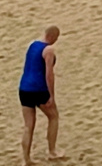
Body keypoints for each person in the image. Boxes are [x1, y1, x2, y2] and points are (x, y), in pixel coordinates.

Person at [18, 25, 61, 166]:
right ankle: (52, 151)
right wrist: (51, 95)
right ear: (54, 37)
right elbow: (49, 74)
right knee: (53, 116)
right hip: (38, 88)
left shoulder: (32, 44)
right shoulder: (48, 50)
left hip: (24, 88)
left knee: (28, 125)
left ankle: (26, 159)